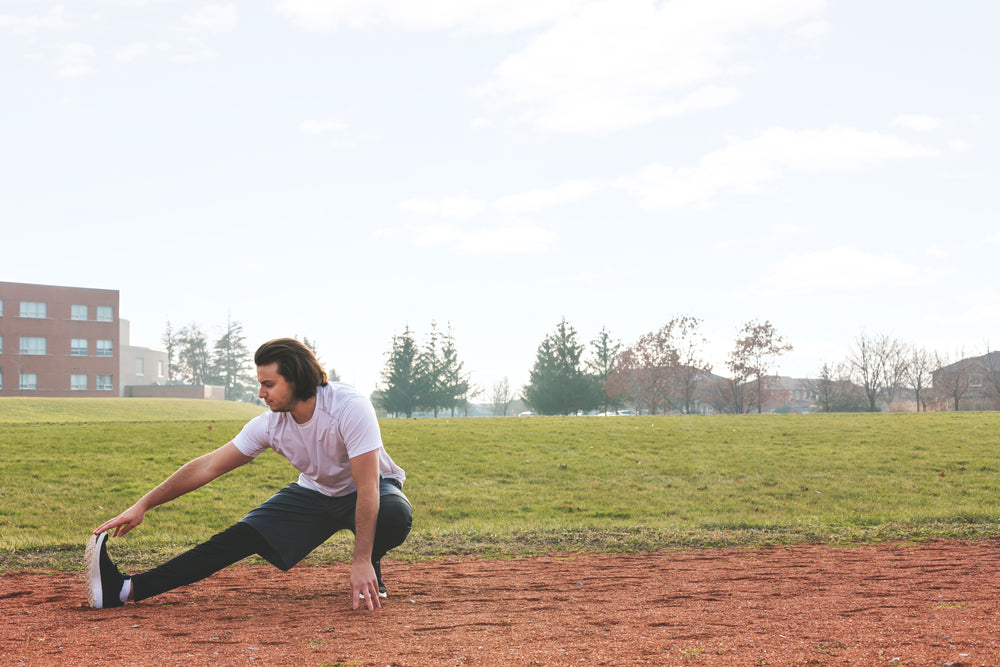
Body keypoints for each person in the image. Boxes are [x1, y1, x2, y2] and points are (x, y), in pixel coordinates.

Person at [86, 338, 412, 611]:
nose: (261, 393)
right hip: (314, 494)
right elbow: (207, 466)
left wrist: (361, 558)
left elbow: (367, 488)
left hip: (368, 490)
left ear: (295, 380)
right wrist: (144, 504)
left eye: (268, 384)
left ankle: (371, 564)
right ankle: (125, 590)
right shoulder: (269, 425)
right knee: (237, 537)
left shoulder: (348, 407)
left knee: (393, 514)